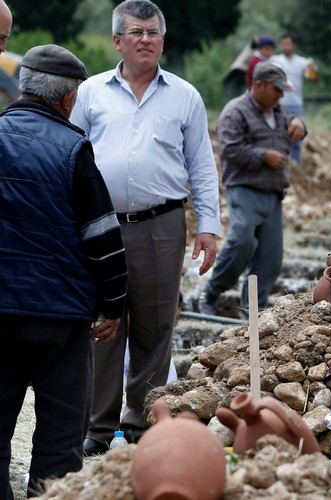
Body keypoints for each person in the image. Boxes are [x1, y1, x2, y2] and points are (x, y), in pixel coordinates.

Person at [70, 0, 221, 455]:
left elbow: (202, 164)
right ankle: (97, 428)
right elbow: (70, 157)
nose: (146, 39)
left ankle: (141, 421)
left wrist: (208, 225)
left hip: (163, 223)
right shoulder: (91, 92)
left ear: (162, 40)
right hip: (100, 226)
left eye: (153, 32)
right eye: (136, 32)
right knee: (104, 323)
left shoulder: (184, 95)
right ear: (117, 40)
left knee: (155, 325)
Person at [0, 44, 128, 498]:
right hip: (62, 321)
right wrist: (112, 305)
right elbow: (103, 239)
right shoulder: (74, 149)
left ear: (22, 85)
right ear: (69, 99)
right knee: (59, 445)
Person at [200, 63, 306, 316]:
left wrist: (300, 124)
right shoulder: (235, 112)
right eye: (276, 89)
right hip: (245, 190)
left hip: (273, 194)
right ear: (258, 85)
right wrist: (263, 156)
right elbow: (229, 149)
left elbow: (296, 123)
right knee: (242, 240)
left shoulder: (280, 112)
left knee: (271, 257)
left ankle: (254, 310)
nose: (281, 95)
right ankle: (213, 291)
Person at [269, 33, 318, 164]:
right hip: (278, 103)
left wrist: (313, 70)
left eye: (287, 44)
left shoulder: (302, 63)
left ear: (293, 45)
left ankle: (295, 163)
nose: (284, 47)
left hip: (296, 104)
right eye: (283, 44)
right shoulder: (275, 60)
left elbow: (314, 78)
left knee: (297, 135)